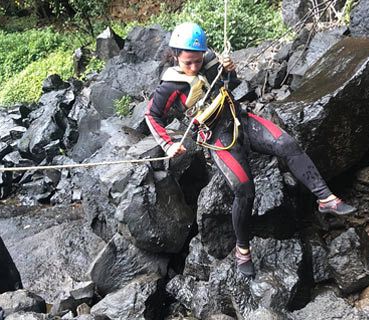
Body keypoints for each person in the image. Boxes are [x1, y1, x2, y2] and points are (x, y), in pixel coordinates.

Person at [145, 22, 356, 277]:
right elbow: (152, 115)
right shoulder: (170, 86)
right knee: (244, 190)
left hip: (239, 119)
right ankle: (242, 249)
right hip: (217, 138)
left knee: (286, 144)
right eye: (188, 62)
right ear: (175, 55)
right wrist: (169, 144)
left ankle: (325, 198)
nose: (193, 67)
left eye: (197, 61)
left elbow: (230, 84)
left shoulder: (210, 61)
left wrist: (230, 72)